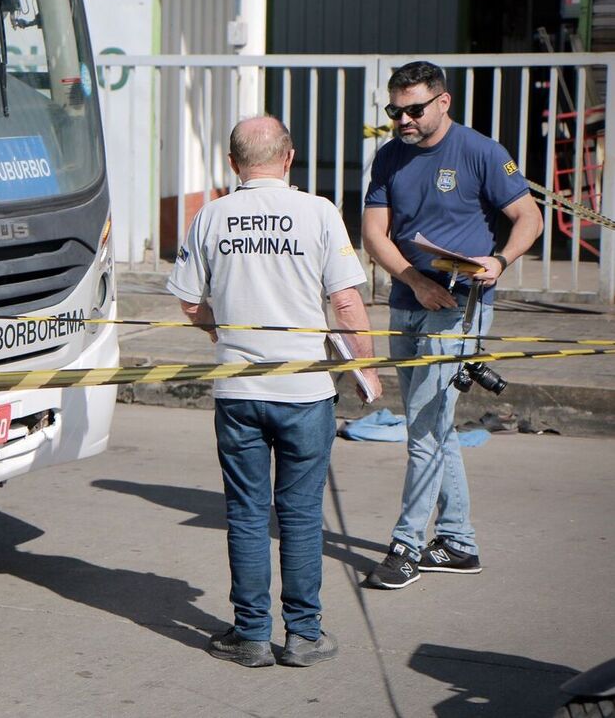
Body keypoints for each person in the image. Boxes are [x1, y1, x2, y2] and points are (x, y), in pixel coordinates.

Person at [167, 115, 380, 668]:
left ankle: (252, 634)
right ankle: (304, 635)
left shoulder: (210, 216)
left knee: (245, 513)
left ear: (233, 163)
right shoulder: (320, 212)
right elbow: (348, 303)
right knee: (302, 515)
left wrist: (225, 332)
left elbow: (189, 301)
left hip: (237, 390)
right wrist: (367, 368)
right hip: (306, 392)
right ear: (289, 158)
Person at [361, 61, 542, 590]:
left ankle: (407, 545)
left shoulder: (481, 151)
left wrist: (500, 261)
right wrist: (414, 281)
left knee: (422, 430)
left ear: (443, 102)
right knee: (434, 428)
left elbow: (527, 218)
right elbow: (375, 234)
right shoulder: (389, 158)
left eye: (414, 109)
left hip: (460, 306)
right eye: (395, 111)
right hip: (409, 298)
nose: (403, 120)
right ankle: (459, 542)